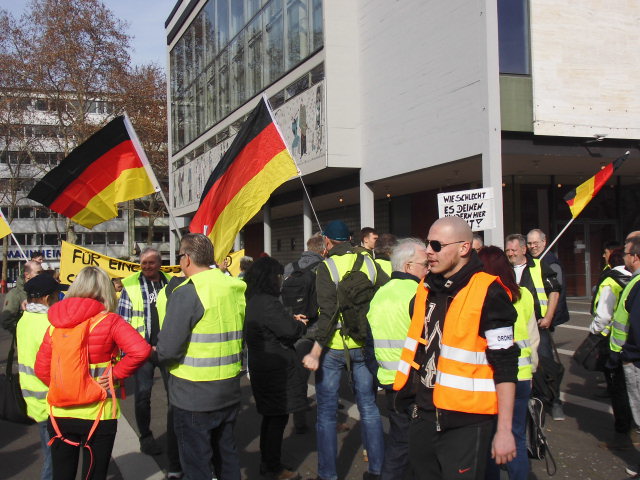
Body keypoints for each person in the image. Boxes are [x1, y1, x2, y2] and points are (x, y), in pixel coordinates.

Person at [399, 216, 518, 480]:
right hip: (423, 415)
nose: (428, 251)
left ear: (464, 248)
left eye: (437, 245)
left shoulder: (489, 292)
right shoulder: (424, 289)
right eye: (427, 244)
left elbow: (506, 364)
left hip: (466, 422)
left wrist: (505, 430)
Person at [34, 266, 150, 480]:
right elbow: (141, 350)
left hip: (61, 412)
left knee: (62, 474)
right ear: (106, 290)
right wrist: (114, 374)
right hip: (98, 412)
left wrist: (65, 386)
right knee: (94, 474)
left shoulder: (56, 324)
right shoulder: (110, 321)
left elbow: (41, 369)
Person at [156, 233, 246, 480]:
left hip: (193, 395)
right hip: (228, 388)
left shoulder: (187, 292)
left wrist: (155, 354)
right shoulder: (232, 287)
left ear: (186, 259)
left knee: (197, 466)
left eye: (179, 257)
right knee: (227, 457)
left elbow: (168, 349)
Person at [302, 220, 385, 480]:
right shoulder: (369, 263)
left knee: (326, 413)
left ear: (327, 241)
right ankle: (377, 469)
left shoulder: (326, 267)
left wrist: (316, 349)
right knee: (369, 407)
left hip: (333, 346)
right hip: (363, 342)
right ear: (349, 240)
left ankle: (328, 474)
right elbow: (383, 296)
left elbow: (327, 314)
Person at [367, 238, 428, 480]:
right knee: (407, 446)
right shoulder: (418, 293)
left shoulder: (380, 293)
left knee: (400, 439)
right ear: (408, 266)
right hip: (413, 382)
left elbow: (369, 340)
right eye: (425, 264)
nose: (428, 269)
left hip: (389, 379)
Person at [244, 257, 308, 480]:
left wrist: (289, 319)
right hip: (274, 369)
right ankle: (273, 466)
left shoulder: (254, 300)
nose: (280, 280)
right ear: (269, 278)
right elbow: (289, 330)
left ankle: (269, 463)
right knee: (277, 419)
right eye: (278, 276)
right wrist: (299, 324)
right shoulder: (268, 302)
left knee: (271, 418)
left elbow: (274, 324)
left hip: (262, 365)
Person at [480, 246, 539, 480]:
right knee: (517, 436)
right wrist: (532, 370)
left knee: (491, 437)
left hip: (495, 376)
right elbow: (533, 337)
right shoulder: (523, 294)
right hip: (522, 374)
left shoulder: (484, 294)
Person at [117, 247, 177, 469]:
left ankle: (174, 436)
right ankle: (146, 437)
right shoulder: (131, 285)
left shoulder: (171, 282)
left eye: (151, 263)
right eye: (143, 263)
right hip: (142, 352)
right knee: (143, 396)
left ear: (160, 263)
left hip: (166, 349)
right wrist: (136, 349)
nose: (147, 267)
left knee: (174, 396)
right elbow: (123, 323)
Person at [17, 274, 64, 480]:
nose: (58, 297)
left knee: (50, 454)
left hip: (33, 397)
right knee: (54, 460)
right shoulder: (49, 324)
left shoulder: (25, 319)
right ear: (47, 298)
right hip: (50, 399)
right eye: (56, 295)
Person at [589, 248, 633, 445]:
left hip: (613, 341)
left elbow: (604, 314)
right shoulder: (634, 279)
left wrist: (594, 330)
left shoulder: (610, 281)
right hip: (633, 340)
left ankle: (622, 430)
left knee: (618, 388)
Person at [282, 233, 325, 434]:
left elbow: (281, 298)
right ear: (323, 250)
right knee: (324, 374)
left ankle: (299, 419)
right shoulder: (323, 268)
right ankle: (326, 417)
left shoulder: (290, 267)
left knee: (298, 376)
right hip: (316, 329)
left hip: (294, 328)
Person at [526, 229, 568, 420]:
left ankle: (555, 401)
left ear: (544, 242)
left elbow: (557, 293)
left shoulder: (551, 263)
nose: (533, 246)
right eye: (530, 243)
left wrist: (550, 317)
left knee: (546, 361)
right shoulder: (528, 262)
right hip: (529, 322)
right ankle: (538, 397)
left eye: (536, 242)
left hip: (543, 323)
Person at [608, 236, 640, 477]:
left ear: (635, 257)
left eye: (626, 254)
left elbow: (635, 326)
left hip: (635, 359)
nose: (623, 258)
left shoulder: (637, 283)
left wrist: (627, 354)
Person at [1, 260, 43, 333]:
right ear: (27, 275)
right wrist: (24, 329)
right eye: (38, 272)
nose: (41, 276)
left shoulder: (42, 290)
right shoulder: (14, 294)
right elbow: (6, 321)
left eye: (42, 272)